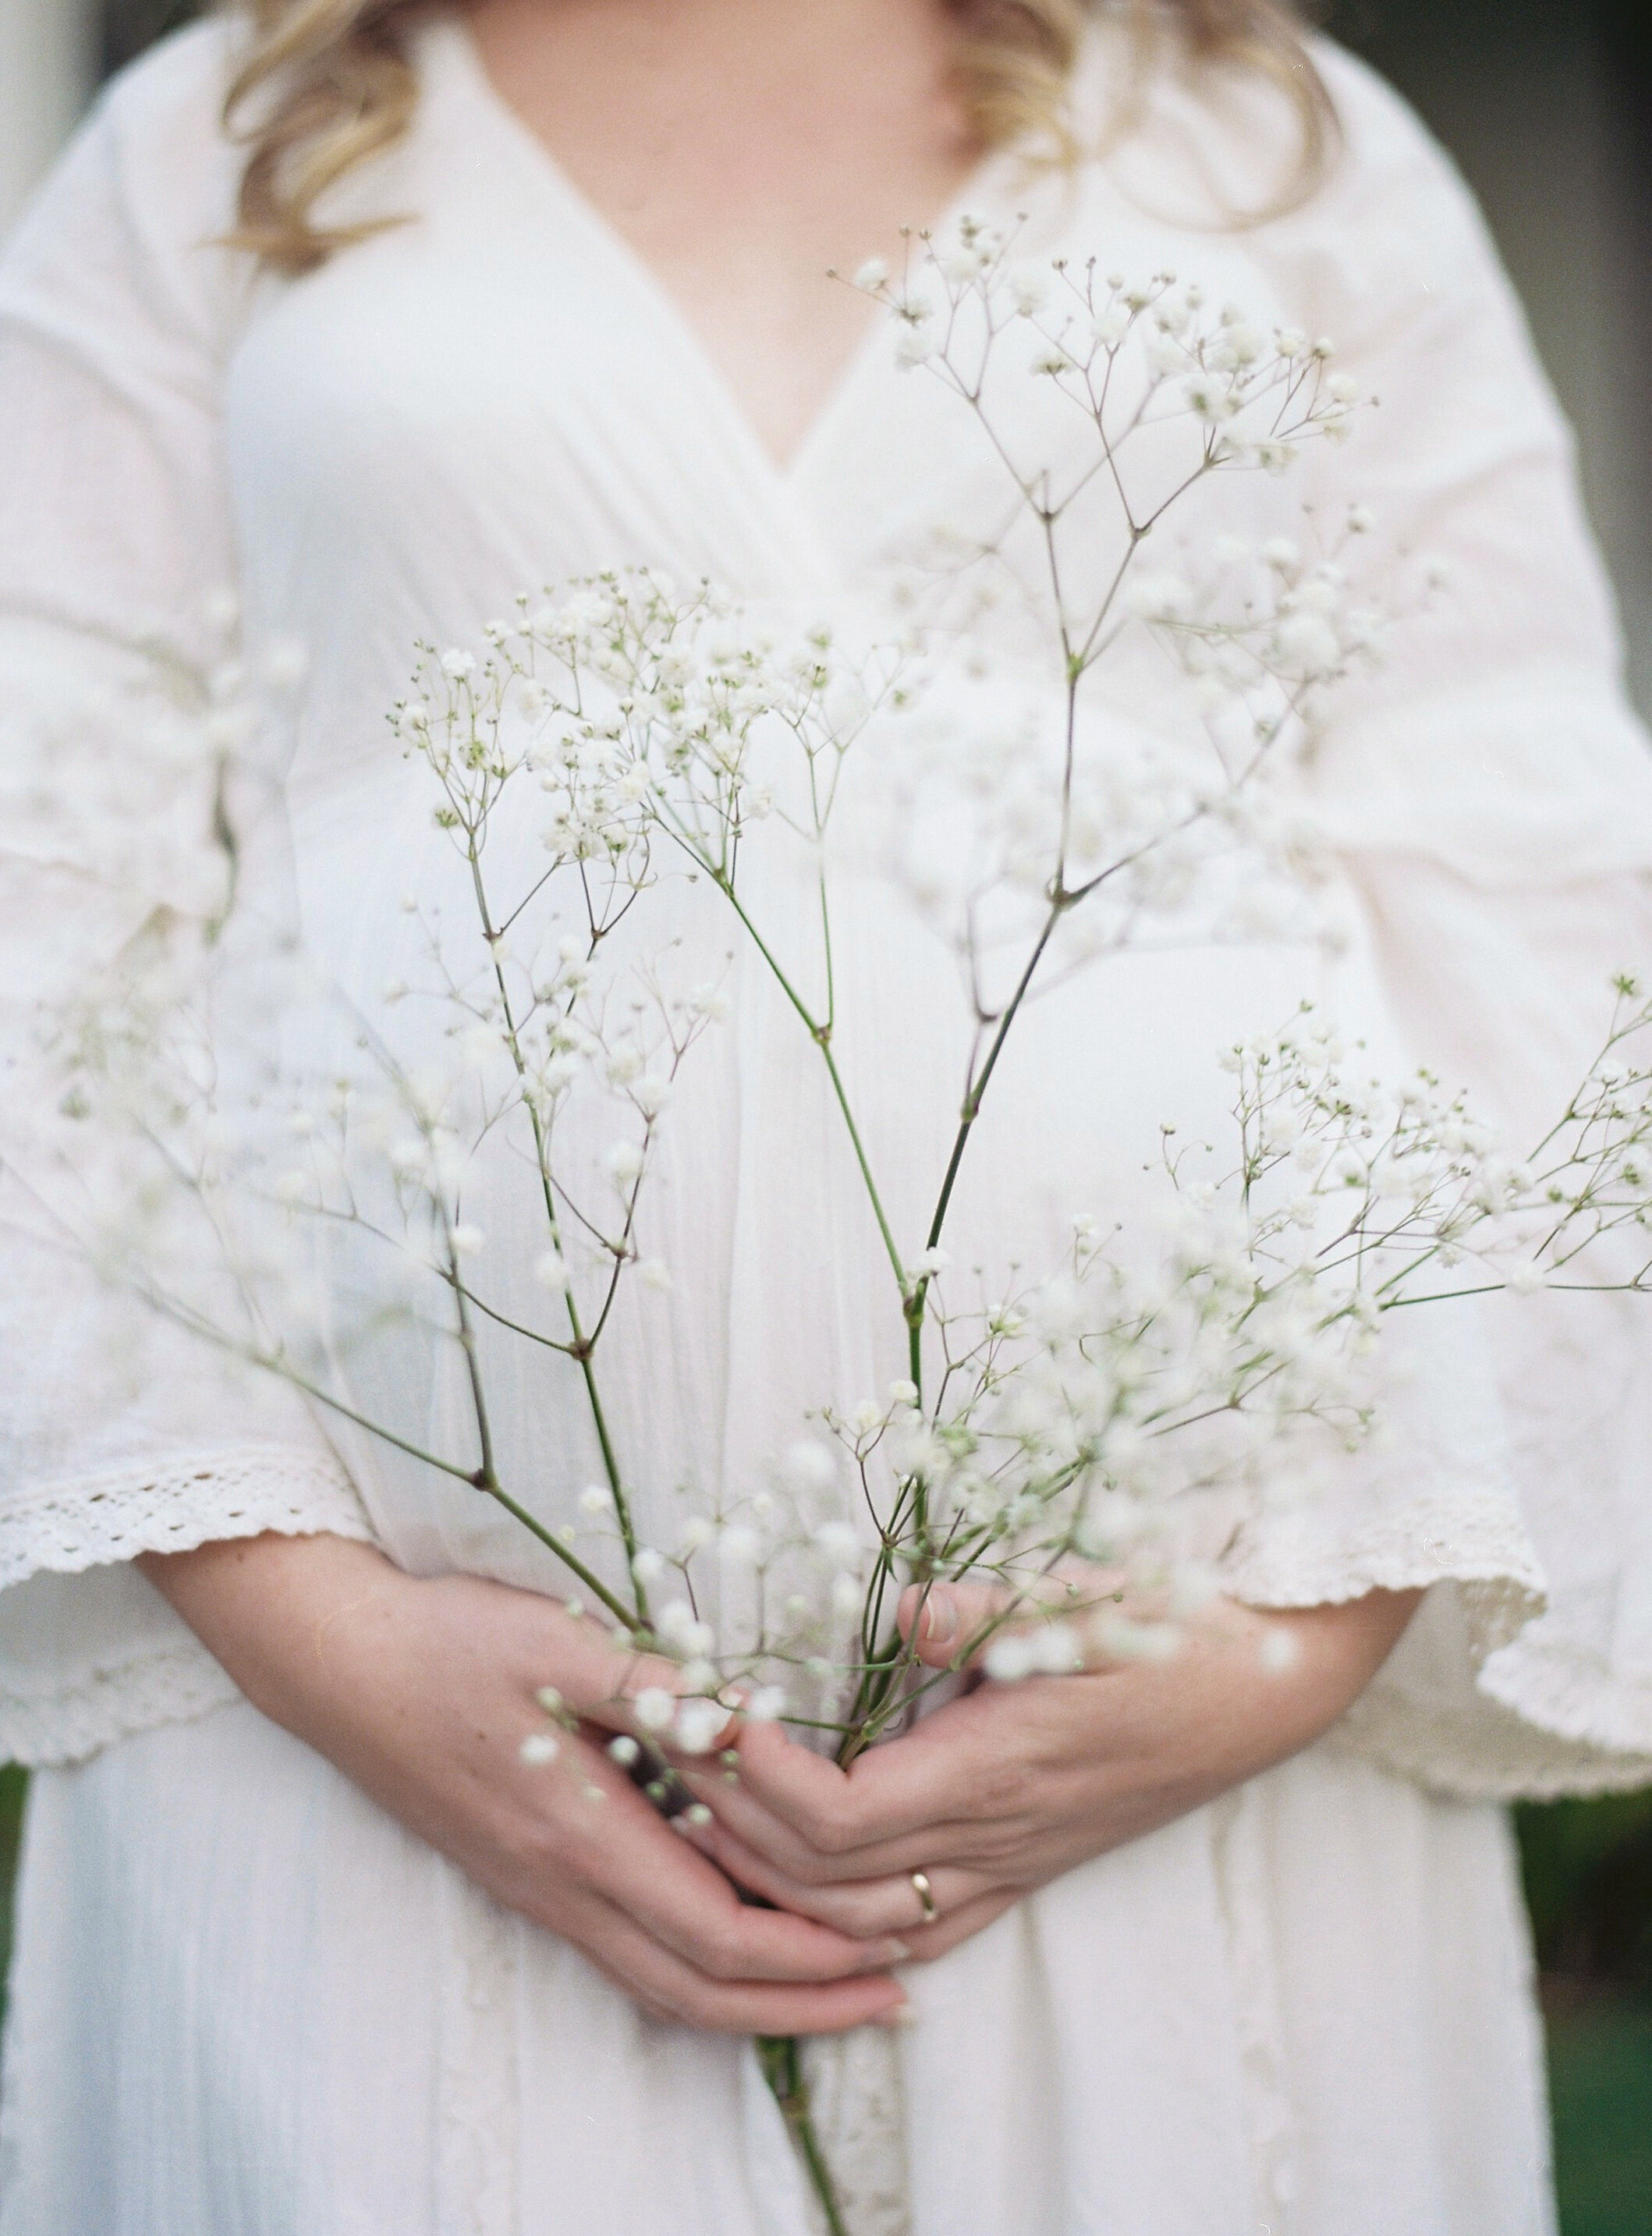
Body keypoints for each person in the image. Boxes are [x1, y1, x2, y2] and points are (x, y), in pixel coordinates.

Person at [2, 2, 1650, 2230]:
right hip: (372, 1792)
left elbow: (1532, 873)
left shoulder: (1280, 143)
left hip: (1185, 1783)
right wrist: (323, 1636)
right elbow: (44, 876)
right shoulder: (216, 144)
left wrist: (1293, 1641)